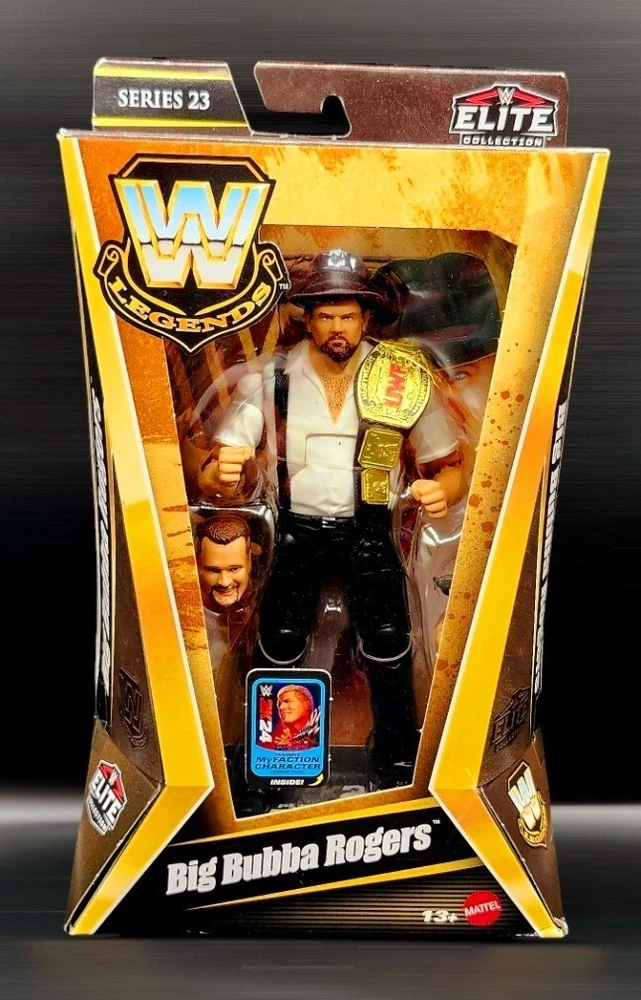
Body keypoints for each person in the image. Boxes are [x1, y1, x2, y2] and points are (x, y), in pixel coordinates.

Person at [198, 249, 464, 787]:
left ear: (366, 319)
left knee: (388, 645)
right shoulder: (270, 378)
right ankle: (273, 763)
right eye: (325, 316)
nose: (337, 328)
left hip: (371, 530)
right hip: (296, 531)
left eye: (347, 316)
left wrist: (443, 490)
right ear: (308, 318)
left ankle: (398, 763)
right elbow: (215, 469)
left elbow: (450, 464)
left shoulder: (398, 377)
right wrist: (223, 474)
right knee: (278, 643)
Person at [195, 514, 254, 668]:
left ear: (249, 562)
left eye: (234, 569)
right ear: (198, 565)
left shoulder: (260, 606)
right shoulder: (184, 613)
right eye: (213, 570)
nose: (225, 581)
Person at [272, 685, 319, 751]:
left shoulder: (319, 733)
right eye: (279, 704)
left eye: (287, 701)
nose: (281, 707)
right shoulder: (286, 739)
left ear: (307, 704)